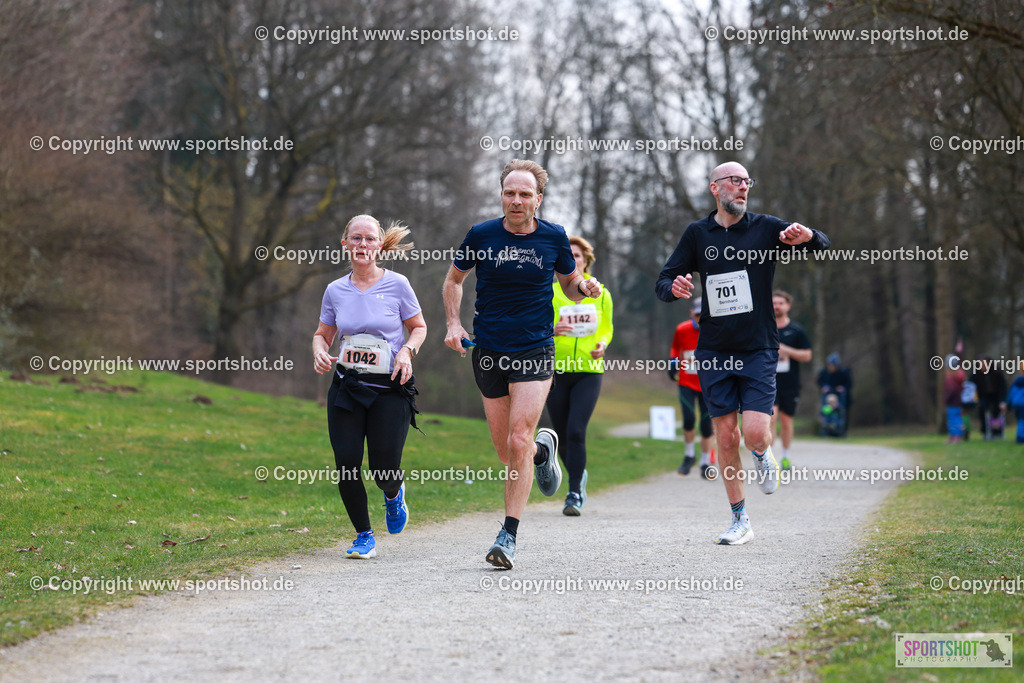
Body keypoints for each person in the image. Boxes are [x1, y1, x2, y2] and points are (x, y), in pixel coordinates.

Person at [655, 161, 830, 546]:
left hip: (758, 347)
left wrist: (808, 236)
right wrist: (675, 288)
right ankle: (740, 519)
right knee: (725, 436)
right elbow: (664, 280)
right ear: (715, 188)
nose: (743, 187)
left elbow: (822, 244)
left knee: (753, 433)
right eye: (734, 181)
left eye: (747, 181)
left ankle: (763, 453)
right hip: (714, 350)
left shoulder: (765, 227)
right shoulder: (698, 233)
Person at [443, 159, 602, 568]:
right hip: (489, 350)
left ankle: (508, 536)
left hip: (535, 349)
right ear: (501, 195)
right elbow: (454, 280)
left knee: (518, 439)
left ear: (538, 199)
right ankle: (541, 453)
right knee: (507, 452)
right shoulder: (481, 235)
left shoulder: (553, 236)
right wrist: (453, 323)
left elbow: (569, 283)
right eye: (510, 192)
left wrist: (583, 287)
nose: (516, 200)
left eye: (525, 194)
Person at [312, 214, 427, 559]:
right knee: (347, 463)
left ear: (380, 245)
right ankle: (364, 535)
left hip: (390, 388)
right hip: (347, 387)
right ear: (345, 243)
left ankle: (393, 493)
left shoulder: (398, 284)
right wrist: (319, 351)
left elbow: (418, 327)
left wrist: (406, 351)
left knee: (383, 468)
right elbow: (323, 334)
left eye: (369, 239)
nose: (363, 244)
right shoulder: (335, 290)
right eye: (356, 238)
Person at [545, 235, 613, 516]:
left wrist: (602, 345)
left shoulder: (602, 294)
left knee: (576, 431)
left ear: (586, 261)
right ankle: (578, 474)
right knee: (561, 435)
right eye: (568, 256)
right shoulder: (550, 292)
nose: (573, 260)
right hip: (556, 371)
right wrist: (552, 331)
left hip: (588, 371)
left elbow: (607, 329)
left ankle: (573, 493)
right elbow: (537, 327)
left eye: (578, 256)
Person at [668, 297, 714, 478]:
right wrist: (672, 363)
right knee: (688, 419)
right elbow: (675, 348)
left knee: (706, 425)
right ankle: (689, 455)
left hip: (708, 384)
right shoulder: (682, 329)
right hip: (686, 381)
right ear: (691, 314)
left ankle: (705, 462)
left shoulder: (716, 330)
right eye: (697, 315)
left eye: (704, 315)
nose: (700, 319)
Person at [771, 290, 812, 469]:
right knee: (770, 419)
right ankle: (770, 459)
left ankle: (786, 456)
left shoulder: (796, 330)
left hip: (790, 383)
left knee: (786, 421)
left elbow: (807, 355)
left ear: (787, 306)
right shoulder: (765, 328)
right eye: (774, 303)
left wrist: (786, 350)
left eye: (780, 303)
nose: (777, 306)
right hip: (768, 382)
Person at [816, 352, 852, 435]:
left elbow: (849, 383)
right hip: (828, 395)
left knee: (841, 411)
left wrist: (843, 388)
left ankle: (841, 430)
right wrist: (824, 387)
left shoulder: (843, 371)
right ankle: (826, 428)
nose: (830, 367)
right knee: (825, 410)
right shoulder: (824, 371)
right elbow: (819, 381)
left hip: (839, 396)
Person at [943, 355, 966, 444]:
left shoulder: (951, 378)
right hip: (957, 402)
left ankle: (956, 436)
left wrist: (946, 398)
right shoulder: (960, 377)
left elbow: (951, 390)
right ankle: (953, 435)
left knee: (954, 420)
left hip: (953, 402)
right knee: (953, 420)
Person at [1007, 361, 1024, 444]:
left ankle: (1020, 437)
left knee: (1020, 420)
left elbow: (1011, 393)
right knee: (1022, 421)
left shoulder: (1017, 381)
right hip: (1022, 404)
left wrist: (1009, 404)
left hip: (1017, 404)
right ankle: (1020, 437)